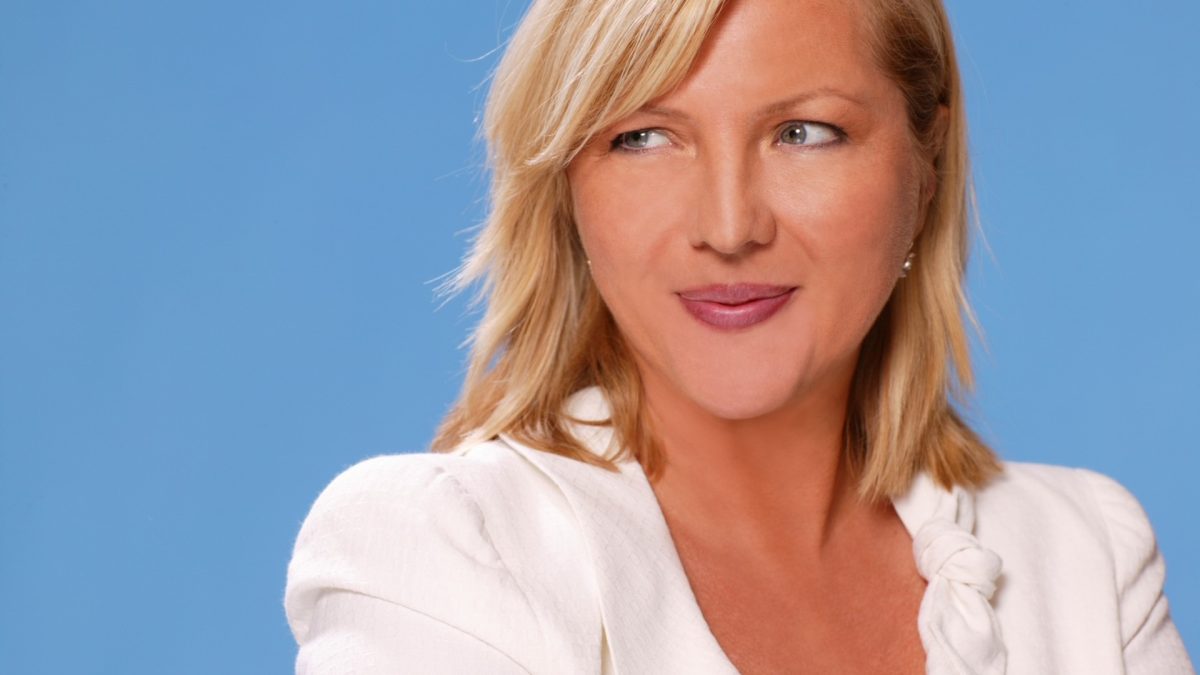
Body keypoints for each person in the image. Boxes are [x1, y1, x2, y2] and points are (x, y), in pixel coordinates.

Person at [284, 0, 1195, 672]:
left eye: (803, 132)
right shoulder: (441, 553)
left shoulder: (1085, 553)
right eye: (644, 137)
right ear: (565, 189)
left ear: (924, 169)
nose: (728, 226)